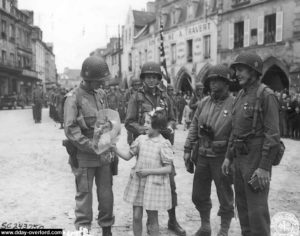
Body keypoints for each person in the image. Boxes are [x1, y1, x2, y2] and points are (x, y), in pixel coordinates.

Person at [222, 52, 280, 236]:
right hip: (239, 160)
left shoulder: (266, 95)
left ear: (254, 71)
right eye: (236, 70)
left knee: (257, 212)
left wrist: (264, 167)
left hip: (256, 161)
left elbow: (273, 136)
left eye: (241, 69)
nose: (237, 74)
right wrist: (228, 157)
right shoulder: (240, 95)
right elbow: (235, 130)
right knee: (243, 209)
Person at [125, 62, 186, 236]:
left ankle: (172, 221)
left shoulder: (165, 97)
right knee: (145, 182)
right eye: (148, 77)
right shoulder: (136, 97)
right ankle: (149, 219)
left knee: (170, 185)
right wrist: (147, 130)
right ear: (143, 78)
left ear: (159, 79)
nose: (151, 80)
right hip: (145, 147)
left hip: (164, 145)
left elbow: (173, 118)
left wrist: (170, 127)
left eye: (154, 77)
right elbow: (129, 122)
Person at [64, 56, 114, 236]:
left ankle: (106, 229)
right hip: (85, 156)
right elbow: (71, 129)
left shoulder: (101, 95)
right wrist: (92, 146)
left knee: (106, 196)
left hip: (103, 155)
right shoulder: (73, 97)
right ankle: (83, 231)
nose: (101, 84)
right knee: (84, 198)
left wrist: (109, 141)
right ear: (88, 78)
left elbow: (107, 119)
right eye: (98, 81)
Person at [183, 64, 235, 236]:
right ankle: (205, 225)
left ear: (226, 83)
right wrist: (188, 148)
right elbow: (194, 126)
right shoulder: (204, 103)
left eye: (217, 80)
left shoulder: (234, 104)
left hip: (222, 157)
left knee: (225, 196)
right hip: (203, 156)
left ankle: (224, 229)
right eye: (211, 81)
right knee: (198, 195)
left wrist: (231, 156)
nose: (212, 84)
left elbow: (236, 133)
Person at [113, 110, 173, 236]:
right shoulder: (140, 139)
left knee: (152, 218)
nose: (145, 125)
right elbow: (128, 156)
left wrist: (148, 171)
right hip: (139, 183)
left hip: (152, 185)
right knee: (136, 216)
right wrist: (114, 149)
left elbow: (168, 169)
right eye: (144, 122)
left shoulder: (163, 144)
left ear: (157, 126)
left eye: (148, 123)